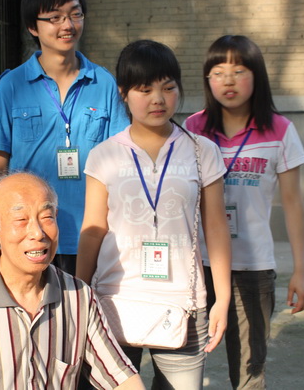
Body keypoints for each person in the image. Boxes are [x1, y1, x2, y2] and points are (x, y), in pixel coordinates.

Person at [76, 40, 232, 389]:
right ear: (123, 93)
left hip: (184, 302)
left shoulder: (202, 151)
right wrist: (80, 296)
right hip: (114, 299)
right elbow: (93, 229)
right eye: (145, 90)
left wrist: (221, 298)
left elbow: (216, 228)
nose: (158, 99)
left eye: (168, 87)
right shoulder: (104, 155)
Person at [0, 0, 129, 275]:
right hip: (30, 237)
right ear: (33, 26)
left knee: (84, 306)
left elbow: (120, 163)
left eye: (75, 14)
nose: (68, 25)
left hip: (91, 236)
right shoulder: (12, 85)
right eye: (55, 18)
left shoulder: (104, 83)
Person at [0, 172, 145, 390]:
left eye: (47, 217)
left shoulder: (78, 296)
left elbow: (120, 377)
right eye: (21, 220)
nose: (38, 233)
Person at [184, 35, 304, 389]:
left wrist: (301, 270)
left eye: (239, 71)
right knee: (183, 364)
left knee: (249, 370)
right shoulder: (193, 129)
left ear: (257, 76)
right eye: (218, 72)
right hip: (197, 266)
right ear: (207, 79)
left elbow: (293, 203)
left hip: (253, 268)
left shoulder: (280, 130)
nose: (228, 80)